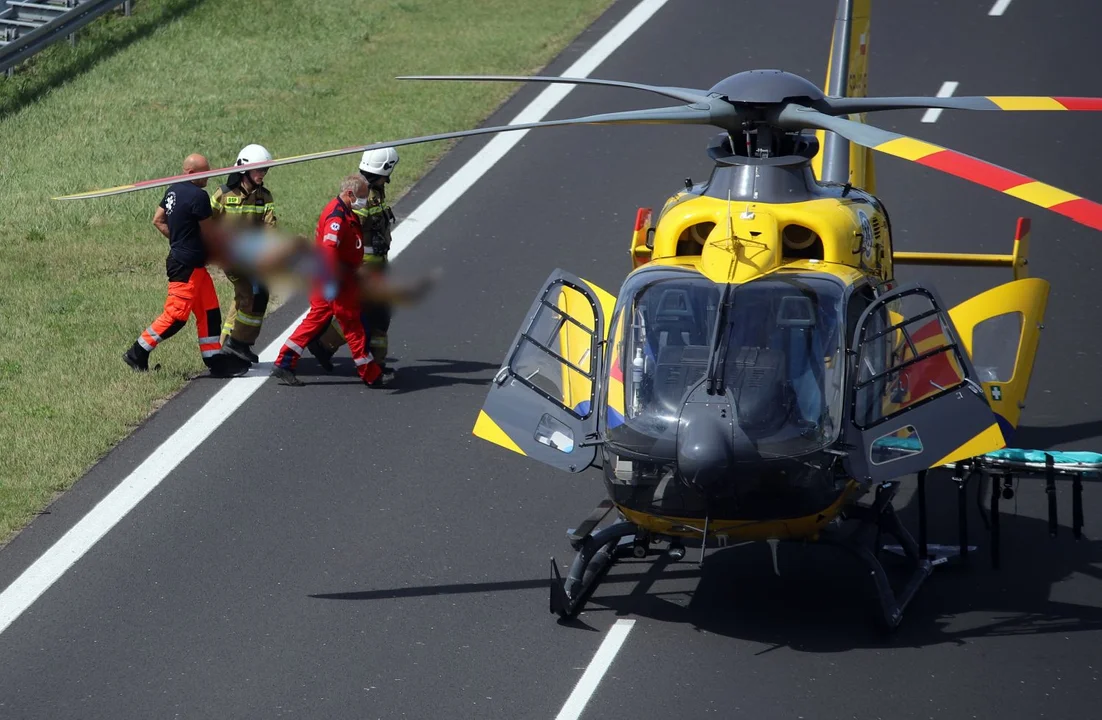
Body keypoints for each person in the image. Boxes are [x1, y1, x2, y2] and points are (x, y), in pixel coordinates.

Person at [123, 154, 248, 378]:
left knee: (209, 313)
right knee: (176, 316)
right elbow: (209, 233)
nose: (208, 176)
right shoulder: (198, 196)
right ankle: (137, 351)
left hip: (194, 266)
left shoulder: (172, 190)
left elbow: (158, 220)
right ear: (191, 173)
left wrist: (179, 241)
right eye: (204, 173)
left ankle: (215, 361)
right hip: (186, 267)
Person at [271, 174, 386, 387]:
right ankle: (371, 374)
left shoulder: (344, 211)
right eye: (362, 197)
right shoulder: (337, 218)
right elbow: (329, 250)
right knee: (353, 325)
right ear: (350, 194)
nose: (364, 200)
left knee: (314, 321)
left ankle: (284, 363)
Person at [307, 147, 399, 373]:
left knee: (377, 313)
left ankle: (375, 360)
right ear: (384, 169)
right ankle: (324, 344)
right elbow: (347, 232)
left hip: (376, 264)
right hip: (363, 267)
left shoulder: (373, 191)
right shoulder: (361, 195)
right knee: (367, 312)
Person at [210, 143, 277, 364]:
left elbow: (269, 227)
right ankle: (238, 344)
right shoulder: (223, 194)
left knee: (242, 299)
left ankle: (227, 345)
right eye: (259, 170)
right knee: (250, 292)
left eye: (265, 170)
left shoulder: (264, 197)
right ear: (244, 170)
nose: (263, 174)